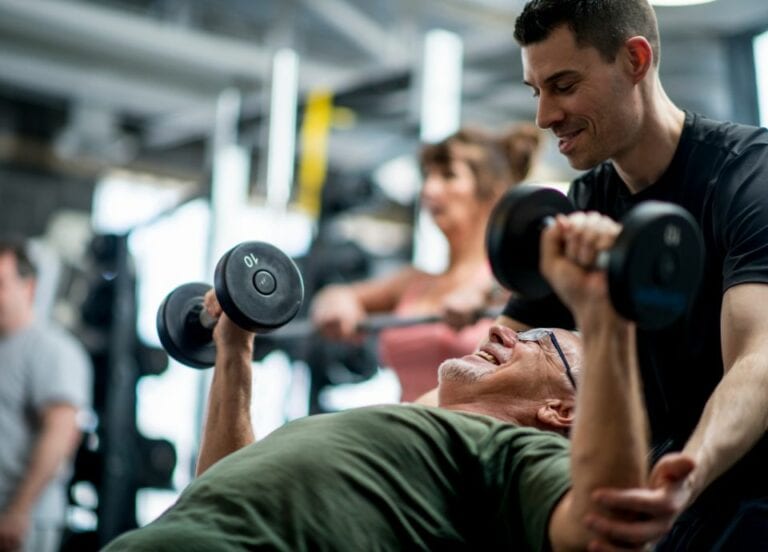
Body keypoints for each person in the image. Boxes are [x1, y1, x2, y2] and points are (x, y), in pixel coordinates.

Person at [101, 215, 685, 552]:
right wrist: (234, 349)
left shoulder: (511, 458)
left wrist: (603, 315)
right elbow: (221, 483)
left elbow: (599, 527)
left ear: (560, 411)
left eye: (538, 341)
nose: (505, 334)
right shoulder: (404, 428)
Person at [489, 0, 768, 548]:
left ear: (635, 60)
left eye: (564, 85)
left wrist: (689, 469)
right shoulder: (588, 202)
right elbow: (498, 352)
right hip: (661, 494)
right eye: (536, 91)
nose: (545, 116)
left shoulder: (748, 176)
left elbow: (758, 361)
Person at [311, 125, 541, 402]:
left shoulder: (511, 279)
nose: (429, 190)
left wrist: (485, 294)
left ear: (492, 189)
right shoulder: (414, 282)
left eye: (448, 176)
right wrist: (336, 301)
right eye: (428, 176)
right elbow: (338, 294)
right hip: (406, 435)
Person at [0, 238, 92, 552]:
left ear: (29, 288)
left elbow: (62, 433)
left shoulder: (53, 351)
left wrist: (19, 510)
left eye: (0, 284)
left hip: (21, 523)